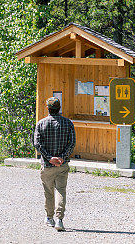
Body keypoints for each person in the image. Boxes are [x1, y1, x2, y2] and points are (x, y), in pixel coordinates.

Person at [32, 96, 76, 232]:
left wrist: (49, 158)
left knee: (48, 192)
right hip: (62, 165)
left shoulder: (41, 124)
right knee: (61, 191)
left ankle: (49, 218)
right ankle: (59, 220)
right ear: (59, 108)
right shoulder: (68, 123)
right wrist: (62, 157)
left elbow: (37, 144)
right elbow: (72, 143)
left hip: (47, 165)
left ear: (47, 108)